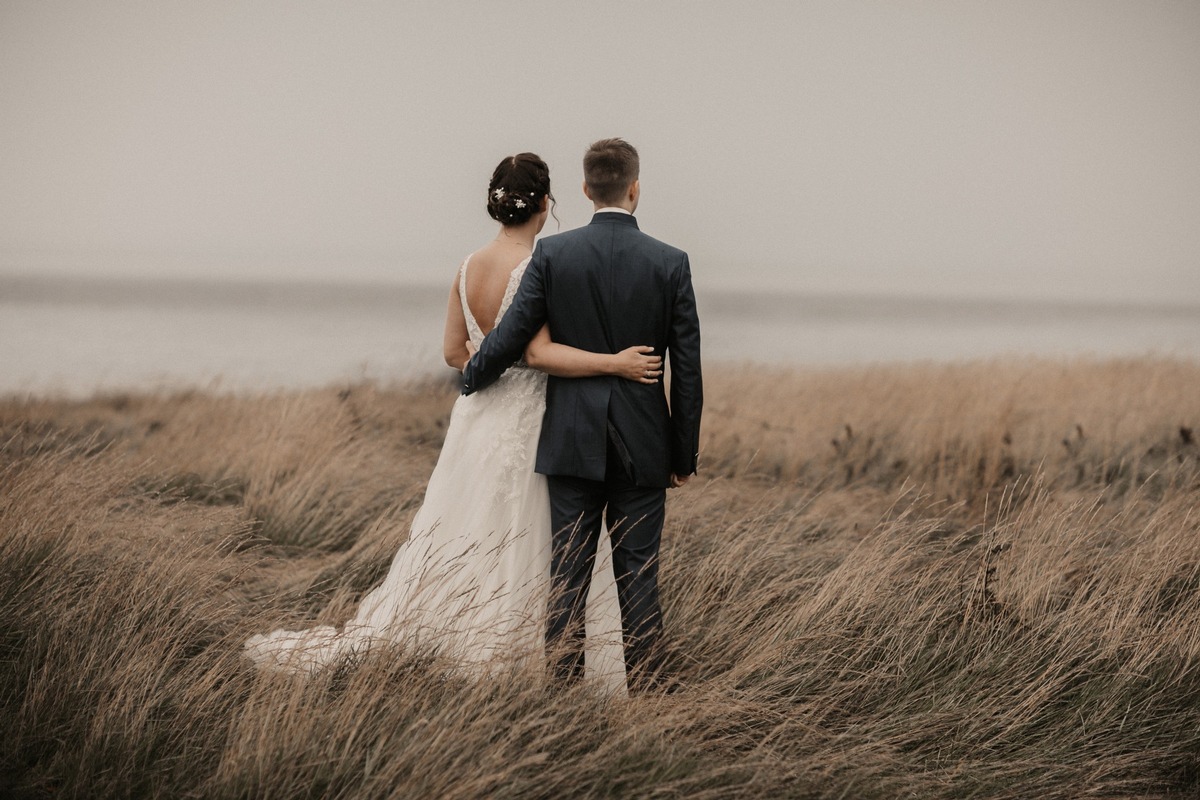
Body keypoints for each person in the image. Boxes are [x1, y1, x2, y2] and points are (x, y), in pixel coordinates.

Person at [244, 153, 661, 694]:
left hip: (480, 417)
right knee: (535, 532)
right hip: (532, 416)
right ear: (544, 203)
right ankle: (524, 657)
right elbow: (538, 354)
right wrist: (614, 363)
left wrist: (484, 363)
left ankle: (452, 633)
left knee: (464, 524)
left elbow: (451, 354)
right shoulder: (541, 264)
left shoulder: (468, 268)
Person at [462, 138, 703, 692]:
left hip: (571, 443)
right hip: (645, 450)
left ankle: (563, 708)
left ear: (586, 189)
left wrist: (472, 377)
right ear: (635, 188)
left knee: (565, 583)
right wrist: (682, 454)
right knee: (640, 580)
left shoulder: (554, 254)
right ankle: (650, 702)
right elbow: (687, 372)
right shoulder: (671, 263)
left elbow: (512, 335)